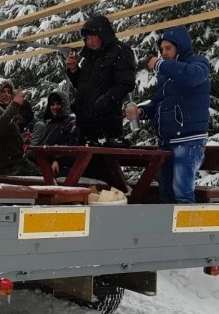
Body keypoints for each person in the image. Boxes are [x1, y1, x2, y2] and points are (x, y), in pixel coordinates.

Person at [126, 26, 210, 204]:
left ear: (180, 47)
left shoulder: (197, 63)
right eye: (162, 49)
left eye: (168, 48)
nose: (163, 53)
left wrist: (159, 64)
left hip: (189, 141)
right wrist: (141, 112)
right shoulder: (166, 76)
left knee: (182, 194)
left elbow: (192, 76)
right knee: (166, 193)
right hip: (167, 142)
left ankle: (189, 231)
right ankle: (168, 232)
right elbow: (158, 102)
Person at [65, 14, 137, 146]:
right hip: (84, 123)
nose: (90, 41)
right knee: (84, 164)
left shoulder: (121, 51)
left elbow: (125, 83)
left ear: (103, 34)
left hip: (107, 123)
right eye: (87, 38)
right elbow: (83, 86)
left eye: (93, 36)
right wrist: (74, 70)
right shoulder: (89, 57)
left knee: (102, 163)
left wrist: (103, 102)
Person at [0, 78, 41, 176]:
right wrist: (14, 105)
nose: (6, 94)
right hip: (4, 165)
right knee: (44, 176)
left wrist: (19, 140)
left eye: (9, 92)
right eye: (2, 91)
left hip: (2, 163)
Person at [31, 90, 77, 176]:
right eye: (52, 104)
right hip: (44, 164)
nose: (55, 107)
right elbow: (44, 145)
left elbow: (71, 147)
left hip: (60, 167)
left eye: (58, 104)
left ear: (64, 105)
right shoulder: (50, 124)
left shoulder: (71, 123)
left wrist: (58, 160)